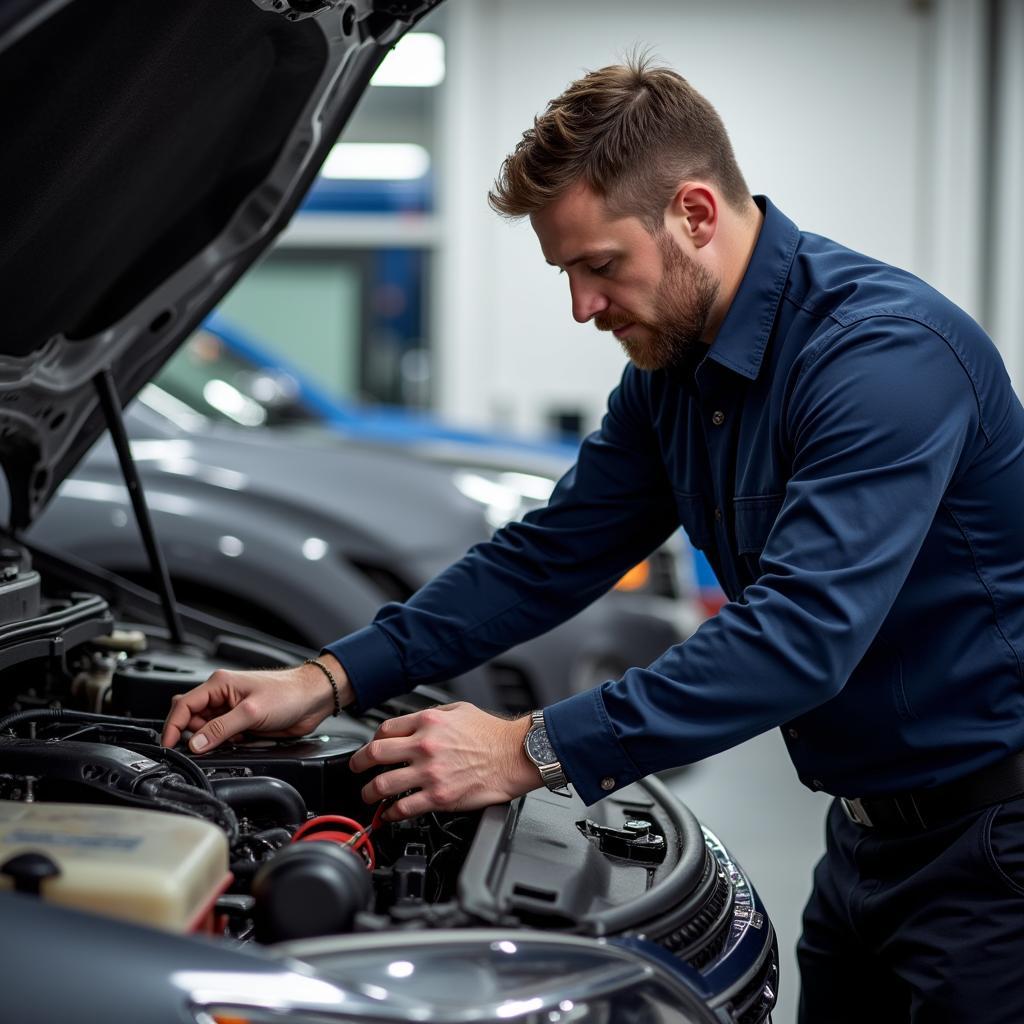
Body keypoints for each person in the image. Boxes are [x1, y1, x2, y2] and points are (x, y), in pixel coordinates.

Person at [162, 56, 1024, 1021]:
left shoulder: (882, 356)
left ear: (695, 213)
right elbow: (547, 556)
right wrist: (326, 678)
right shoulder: (674, 372)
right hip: (864, 839)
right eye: (565, 271)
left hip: (993, 850)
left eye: (600, 264)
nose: (582, 306)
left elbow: (801, 635)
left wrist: (526, 748)